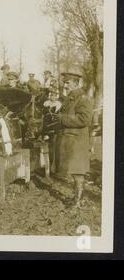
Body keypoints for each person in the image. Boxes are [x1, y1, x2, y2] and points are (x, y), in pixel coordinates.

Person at [55, 69, 93, 208]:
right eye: (65, 83)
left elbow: (84, 119)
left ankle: (78, 201)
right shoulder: (71, 97)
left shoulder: (83, 98)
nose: (65, 85)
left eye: (68, 83)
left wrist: (61, 119)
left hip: (77, 141)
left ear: (76, 83)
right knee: (75, 172)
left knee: (78, 172)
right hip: (70, 140)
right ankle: (77, 199)